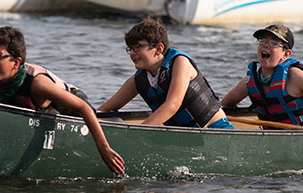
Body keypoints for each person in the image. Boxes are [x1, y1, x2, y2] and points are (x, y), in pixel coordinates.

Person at [0, 26, 125, 175]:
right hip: (37, 111)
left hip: (72, 110)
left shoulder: (38, 84)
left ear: (16, 62)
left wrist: (104, 149)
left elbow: (83, 108)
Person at [98, 18, 234, 129]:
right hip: (183, 138)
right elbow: (104, 111)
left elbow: (172, 105)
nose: (133, 53)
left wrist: (138, 133)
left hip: (216, 129)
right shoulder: (137, 81)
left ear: (158, 48)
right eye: (130, 48)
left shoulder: (180, 63)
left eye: (138, 47)